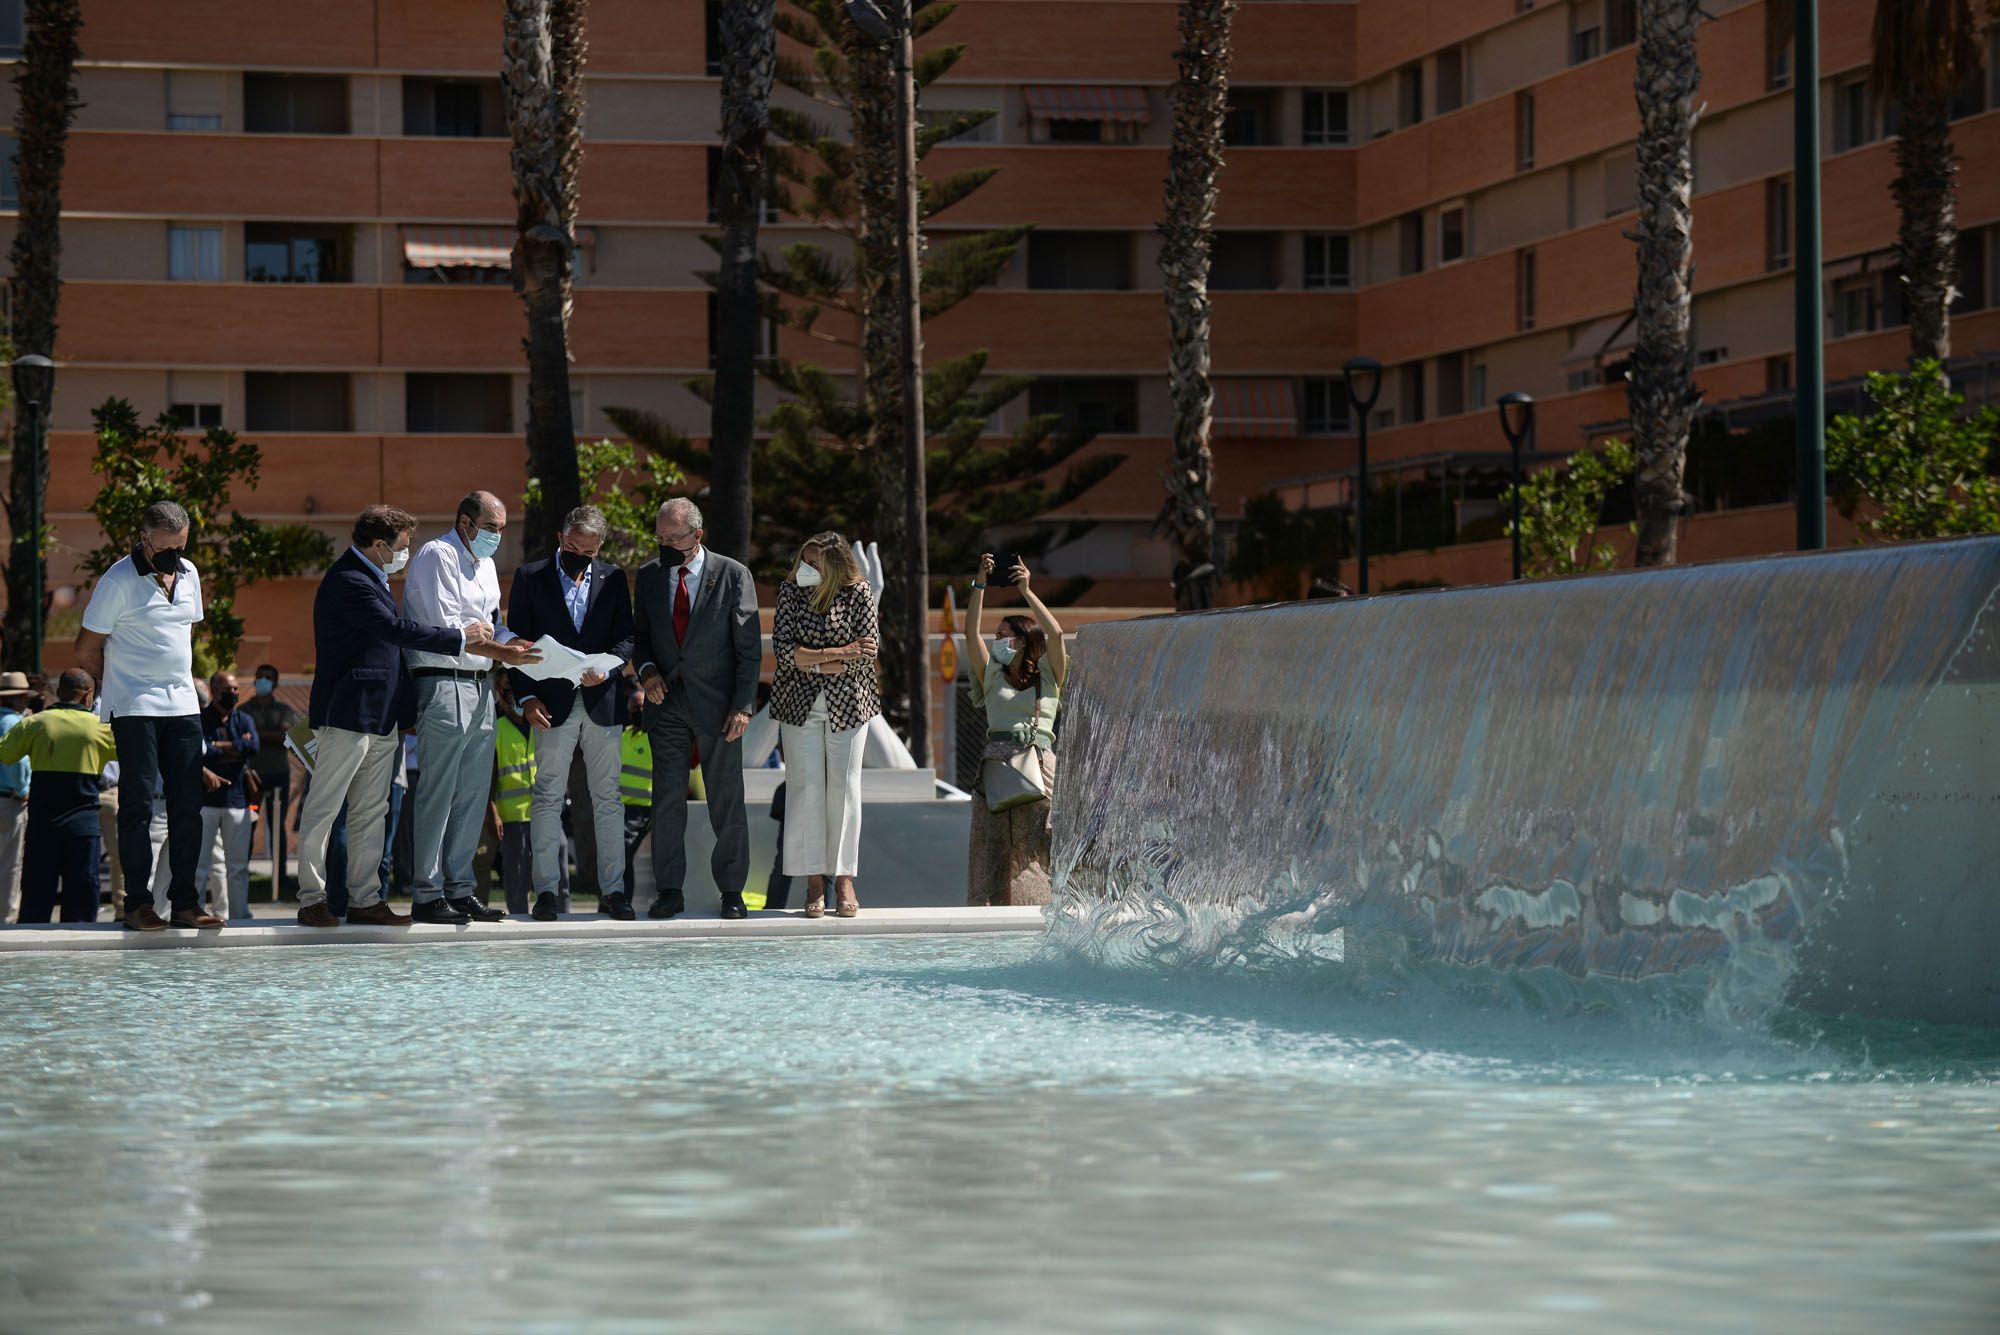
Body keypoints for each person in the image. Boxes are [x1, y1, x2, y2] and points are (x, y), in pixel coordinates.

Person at [295, 505, 493, 928]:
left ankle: (365, 898)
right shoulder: (349, 579)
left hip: (380, 716)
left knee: (372, 811)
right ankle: (312, 898)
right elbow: (394, 631)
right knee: (324, 810)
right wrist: (461, 637)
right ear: (380, 545)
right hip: (347, 713)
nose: (408, 552)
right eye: (404, 546)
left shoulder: (375, 578)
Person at [74, 500, 221, 931]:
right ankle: (137, 903)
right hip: (135, 708)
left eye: (181, 546)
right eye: (165, 548)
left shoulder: (190, 573)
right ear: (143, 539)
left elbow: (184, 632)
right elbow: (85, 648)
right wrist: (117, 687)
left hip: (182, 706)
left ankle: (185, 903)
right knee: (137, 804)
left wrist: (184, 678)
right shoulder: (117, 580)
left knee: (188, 806)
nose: (174, 555)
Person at [401, 491, 542, 925]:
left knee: (474, 796)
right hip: (442, 684)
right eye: (492, 528)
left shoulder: (484, 568)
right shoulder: (436, 555)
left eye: (502, 529)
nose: (497, 537)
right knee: (438, 793)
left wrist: (511, 641)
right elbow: (447, 631)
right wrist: (496, 646)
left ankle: (461, 890)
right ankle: (426, 893)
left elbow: (488, 623)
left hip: (481, 685)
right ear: (466, 522)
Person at [632, 498, 762, 920]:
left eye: (674, 538)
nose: (665, 544)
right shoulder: (650, 576)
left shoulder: (732, 574)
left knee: (726, 801)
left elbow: (748, 648)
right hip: (665, 701)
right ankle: (670, 890)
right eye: (661, 537)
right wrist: (647, 672)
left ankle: (732, 892)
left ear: (697, 535)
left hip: (719, 706)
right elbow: (641, 637)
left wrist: (743, 706)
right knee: (666, 801)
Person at [506, 505, 637, 921]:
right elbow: (517, 644)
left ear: (599, 547)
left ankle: (613, 892)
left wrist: (609, 666)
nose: (581, 555)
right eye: (574, 546)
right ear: (561, 538)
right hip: (549, 704)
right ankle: (545, 892)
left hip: (603, 702)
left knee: (609, 799)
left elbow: (626, 638)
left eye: (590, 550)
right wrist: (526, 699)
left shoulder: (614, 579)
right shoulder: (530, 577)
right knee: (546, 797)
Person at [768, 532, 879, 919]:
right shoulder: (790, 591)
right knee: (805, 789)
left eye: (815, 563)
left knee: (845, 791)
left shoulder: (859, 592)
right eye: (805, 560)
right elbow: (783, 651)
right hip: (798, 703)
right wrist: (836, 654)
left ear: (834, 567)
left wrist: (811, 659)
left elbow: (867, 653)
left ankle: (845, 879)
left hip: (849, 704)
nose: (807, 568)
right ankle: (814, 881)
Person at [964, 553, 1067, 907]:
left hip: (1038, 764)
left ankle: (1040, 913)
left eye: (1003, 635)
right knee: (991, 850)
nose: (996, 641)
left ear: (1022, 641)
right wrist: (979, 583)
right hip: (996, 766)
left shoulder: (1050, 675)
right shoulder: (991, 672)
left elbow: (1054, 633)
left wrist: (1026, 590)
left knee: (1036, 846)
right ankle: (988, 919)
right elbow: (968, 632)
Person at [0, 669, 118, 923]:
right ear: (88, 694)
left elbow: (5, 755)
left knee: (36, 900)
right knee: (83, 904)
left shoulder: (35, 723)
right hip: (83, 827)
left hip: (43, 826)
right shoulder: (101, 728)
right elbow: (136, 757)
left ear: (60, 692)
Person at [195, 670, 260, 921]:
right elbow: (202, 752)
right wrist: (234, 747)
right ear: (213, 690)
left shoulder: (244, 719)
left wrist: (219, 747)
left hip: (237, 802)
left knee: (238, 867)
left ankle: (240, 915)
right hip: (206, 802)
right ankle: (197, 911)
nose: (233, 694)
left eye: (235, 689)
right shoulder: (201, 719)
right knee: (200, 866)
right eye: (226, 690)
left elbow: (253, 747)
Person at [241, 663, 298, 897]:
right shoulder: (244, 709)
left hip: (278, 775)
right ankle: (241, 874)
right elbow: (242, 737)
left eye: (268, 678)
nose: (262, 681)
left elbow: (287, 735)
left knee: (278, 827)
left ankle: (280, 876)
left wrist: (255, 735)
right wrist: (270, 735)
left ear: (274, 684)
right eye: (259, 677)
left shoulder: (283, 709)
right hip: (252, 776)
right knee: (248, 823)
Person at [492, 671, 545, 916]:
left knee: (558, 874)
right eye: (508, 690)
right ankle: (518, 919)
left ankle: (561, 922)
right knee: (516, 876)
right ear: (501, 696)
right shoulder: (496, 729)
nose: (514, 696)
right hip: (512, 817)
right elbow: (490, 779)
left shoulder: (541, 725)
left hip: (544, 814)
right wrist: (494, 813)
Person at [0, 672, 34, 923]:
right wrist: (23, 790)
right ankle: (6, 917)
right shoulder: (14, 722)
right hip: (8, 799)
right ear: (21, 698)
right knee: (10, 863)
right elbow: (19, 762)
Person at [617, 683, 654, 910]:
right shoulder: (624, 735)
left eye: (640, 707)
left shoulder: (655, 736)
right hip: (620, 809)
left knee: (622, 852)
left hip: (643, 808)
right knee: (616, 856)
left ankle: (624, 901)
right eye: (633, 708)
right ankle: (615, 898)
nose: (636, 712)